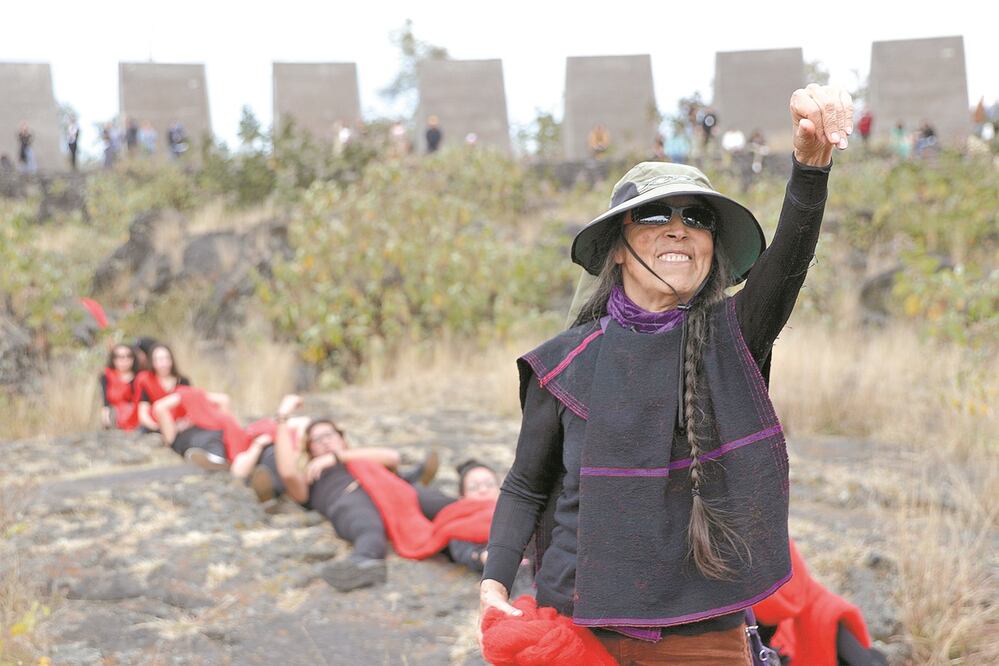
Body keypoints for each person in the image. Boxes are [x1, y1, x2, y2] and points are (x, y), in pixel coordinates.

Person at [479, 83, 853, 664]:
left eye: (696, 218)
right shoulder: (564, 363)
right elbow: (525, 484)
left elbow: (787, 266)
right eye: (655, 214)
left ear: (710, 247)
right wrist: (495, 582)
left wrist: (810, 168)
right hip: (575, 627)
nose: (678, 228)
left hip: (701, 634)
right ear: (620, 248)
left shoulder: (730, 343)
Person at [273, 396, 484, 590]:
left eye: (329, 435)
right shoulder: (311, 476)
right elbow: (288, 472)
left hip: (395, 493)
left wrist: (339, 457)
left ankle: (488, 546)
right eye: (316, 440)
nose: (325, 441)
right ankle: (366, 562)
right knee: (367, 527)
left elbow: (392, 456)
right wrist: (283, 417)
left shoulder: (361, 458)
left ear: (342, 438)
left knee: (449, 509)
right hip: (349, 497)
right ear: (309, 450)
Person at [135, 343, 192, 432]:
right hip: (155, 426)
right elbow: (143, 413)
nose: (164, 363)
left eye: (167, 358)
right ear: (152, 362)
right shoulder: (146, 381)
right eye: (160, 359)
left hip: (180, 426)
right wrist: (158, 428)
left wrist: (181, 425)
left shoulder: (183, 381)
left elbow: (191, 408)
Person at [99, 344, 139, 431]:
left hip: (135, 415)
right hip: (113, 415)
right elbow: (104, 399)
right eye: (120, 357)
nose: (125, 360)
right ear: (113, 359)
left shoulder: (139, 377)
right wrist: (105, 412)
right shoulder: (106, 376)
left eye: (128, 356)